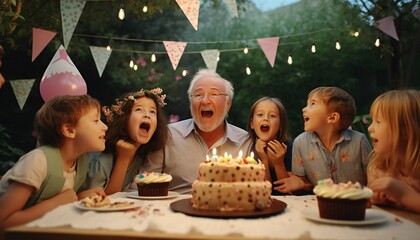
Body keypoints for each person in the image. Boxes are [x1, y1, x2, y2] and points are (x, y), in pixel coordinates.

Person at [0, 95, 108, 230]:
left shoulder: (80, 162)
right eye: (96, 120)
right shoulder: (37, 161)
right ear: (69, 130)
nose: (105, 127)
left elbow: (66, 198)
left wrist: (80, 197)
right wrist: (56, 203)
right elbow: (3, 222)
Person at [145, 69, 252, 194]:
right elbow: (145, 186)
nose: (205, 101)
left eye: (214, 94)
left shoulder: (246, 141)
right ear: (191, 104)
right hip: (175, 211)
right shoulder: (167, 135)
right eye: (198, 95)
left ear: (228, 104)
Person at [276, 86, 372, 193]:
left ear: (332, 118)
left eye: (313, 104)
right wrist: (301, 183)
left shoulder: (359, 141)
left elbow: (372, 179)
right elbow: (305, 182)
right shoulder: (300, 143)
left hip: (355, 204)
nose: (304, 109)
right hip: (322, 204)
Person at [83, 88, 169, 195]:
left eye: (152, 112)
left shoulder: (142, 156)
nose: (147, 115)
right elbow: (100, 201)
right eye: (139, 110)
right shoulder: (101, 157)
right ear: (124, 118)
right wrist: (123, 159)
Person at [367, 89, 420, 214]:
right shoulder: (378, 168)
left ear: (406, 130)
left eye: (378, 122)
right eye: (372, 121)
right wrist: (374, 198)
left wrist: (402, 194)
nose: (370, 128)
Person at [247, 97, 292, 195]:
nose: (265, 118)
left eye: (272, 116)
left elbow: (288, 192)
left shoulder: (288, 147)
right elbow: (266, 191)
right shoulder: (251, 149)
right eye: (260, 114)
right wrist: (265, 161)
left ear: (280, 125)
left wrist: (278, 163)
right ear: (252, 124)